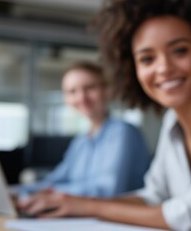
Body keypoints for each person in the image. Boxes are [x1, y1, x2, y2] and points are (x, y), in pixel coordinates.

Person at [18, 0, 191, 230]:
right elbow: (153, 195)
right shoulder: (171, 121)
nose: (163, 68)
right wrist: (71, 204)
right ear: (133, 70)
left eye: (179, 51)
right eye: (147, 59)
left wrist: (88, 206)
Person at [14, 61, 151, 199]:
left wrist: (50, 193)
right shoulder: (80, 141)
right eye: (72, 91)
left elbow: (107, 190)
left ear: (106, 90)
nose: (81, 97)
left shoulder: (123, 132)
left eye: (90, 88)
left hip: (115, 217)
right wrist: (18, 191)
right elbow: (56, 179)